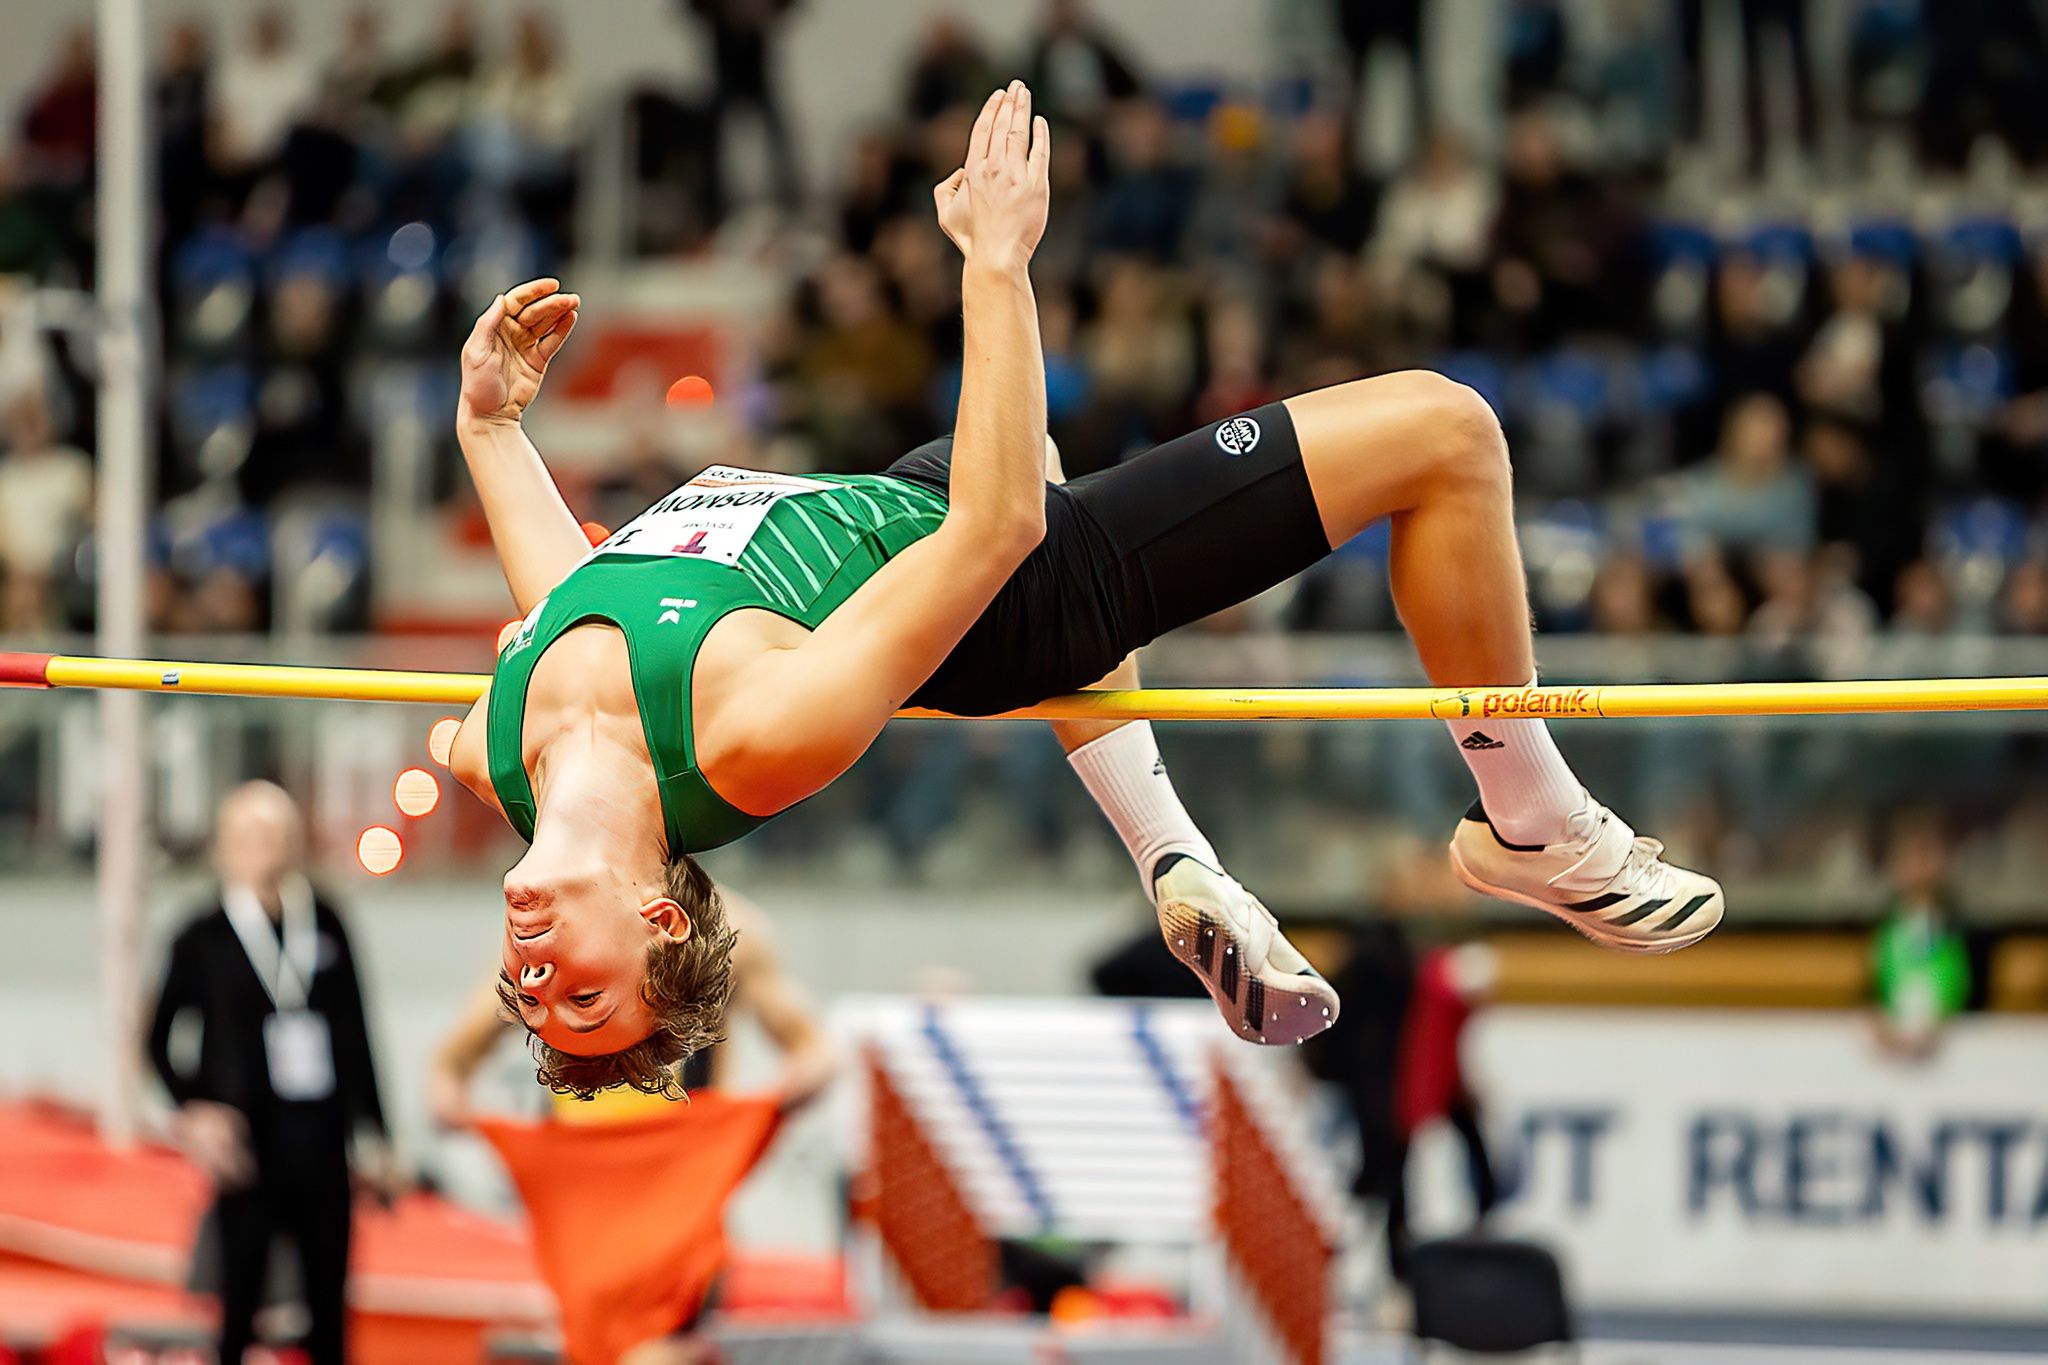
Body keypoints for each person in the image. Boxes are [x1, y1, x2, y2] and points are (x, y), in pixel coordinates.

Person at [443, 82, 1722, 1101]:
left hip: (897, 500)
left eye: (530, 998)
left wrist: (490, 427)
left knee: (1040, 454)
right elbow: (998, 529)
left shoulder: (500, 750)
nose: (537, 976)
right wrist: (995, 265)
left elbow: (577, 603)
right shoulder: (751, 743)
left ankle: (1170, 851)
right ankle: (1531, 823)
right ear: (660, 923)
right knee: (1445, 435)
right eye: (584, 997)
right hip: (1007, 587)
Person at [429, 890, 830, 1363]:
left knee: (650, 1353)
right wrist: (469, 1114)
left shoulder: (726, 929)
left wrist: (749, 1119)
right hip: (586, 1212)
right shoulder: (551, 933)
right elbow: (450, 1066)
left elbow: (815, 1054)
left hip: (676, 1206)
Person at [144, 782, 395, 1365]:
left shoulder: (325, 921)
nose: (265, 847)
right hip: (248, 1146)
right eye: (250, 835)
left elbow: (357, 1031)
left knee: (329, 1305)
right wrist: (194, 1109)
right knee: (240, 1302)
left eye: (277, 835)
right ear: (223, 847)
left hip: (322, 1141)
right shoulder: (203, 934)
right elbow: (156, 1038)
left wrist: (377, 1132)